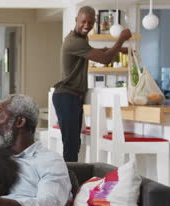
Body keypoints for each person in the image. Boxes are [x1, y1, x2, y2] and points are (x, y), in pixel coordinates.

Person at [53, 6, 132, 162]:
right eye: (83, 21)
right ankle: (69, 184)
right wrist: (121, 38)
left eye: (90, 22)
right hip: (66, 97)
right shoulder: (74, 42)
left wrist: (116, 48)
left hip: (72, 97)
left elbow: (94, 51)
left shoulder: (81, 39)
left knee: (74, 145)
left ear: (95, 22)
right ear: (76, 20)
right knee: (71, 146)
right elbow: (105, 59)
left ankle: (72, 181)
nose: (86, 25)